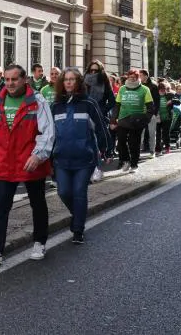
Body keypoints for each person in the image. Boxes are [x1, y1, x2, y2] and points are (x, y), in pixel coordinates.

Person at [0, 64, 55, 264]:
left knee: (37, 203)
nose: (11, 83)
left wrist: (38, 155)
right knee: (1, 205)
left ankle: (40, 242)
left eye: (15, 79)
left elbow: (48, 131)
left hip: (30, 161)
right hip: (5, 162)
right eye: (8, 79)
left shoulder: (37, 101)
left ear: (24, 80)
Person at [50, 67, 112, 244]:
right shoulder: (55, 106)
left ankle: (78, 229)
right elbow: (48, 134)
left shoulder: (89, 103)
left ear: (78, 82)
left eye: (72, 79)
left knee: (79, 192)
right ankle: (78, 215)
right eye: (66, 79)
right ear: (62, 83)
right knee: (63, 192)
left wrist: (106, 148)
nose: (68, 82)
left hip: (84, 158)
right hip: (61, 158)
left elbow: (100, 127)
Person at [110, 69, 154, 173]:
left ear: (138, 78)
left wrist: (145, 120)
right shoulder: (122, 89)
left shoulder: (144, 89)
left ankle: (134, 164)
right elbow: (117, 105)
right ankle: (126, 161)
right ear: (128, 77)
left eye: (134, 77)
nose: (132, 78)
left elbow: (150, 107)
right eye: (130, 77)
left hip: (137, 120)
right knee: (120, 141)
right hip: (123, 119)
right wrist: (113, 119)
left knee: (134, 143)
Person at [139, 70, 160, 158]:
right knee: (140, 133)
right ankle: (138, 151)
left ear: (146, 76)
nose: (139, 77)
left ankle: (152, 151)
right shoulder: (138, 85)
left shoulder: (154, 86)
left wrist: (154, 113)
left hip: (151, 113)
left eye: (141, 75)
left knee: (152, 133)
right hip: (141, 112)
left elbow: (157, 101)